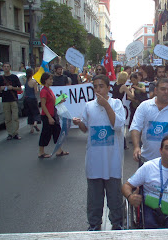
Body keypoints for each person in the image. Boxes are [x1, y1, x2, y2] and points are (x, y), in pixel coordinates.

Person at [72, 74, 125, 231]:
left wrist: (106, 105)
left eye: (101, 86)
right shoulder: (89, 106)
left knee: (115, 196)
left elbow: (117, 125)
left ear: (109, 87)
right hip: (95, 160)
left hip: (112, 160)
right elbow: (85, 129)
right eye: (95, 87)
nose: (98, 89)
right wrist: (79, 123)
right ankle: (94, 224)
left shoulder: (116, 104)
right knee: (94, 198)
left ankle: (117, 223)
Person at [130, 78, 168, 162]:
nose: (166, 92)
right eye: (163, 89)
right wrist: (136, 147)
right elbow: (135, 127)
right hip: (146, 158)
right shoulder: (144, 106)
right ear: (156, 91)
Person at [38, 72, 68, 158]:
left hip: (53, 114)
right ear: (45, 80)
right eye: (50, 79)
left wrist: (60, 100)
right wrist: (49, 117)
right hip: (47, 116)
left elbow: (52, 102)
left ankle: (59, 150)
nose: (52, 81)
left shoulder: (49, 90)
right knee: (46, 133)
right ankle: (41, 152)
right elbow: (43, 105)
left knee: (57, 132)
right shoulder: (44, 91)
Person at [0, 62, 22, 140]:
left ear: (10, 68)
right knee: (7, 118)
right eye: (5, 66)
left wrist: (12, 88)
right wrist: (1, 88)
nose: (6, 68)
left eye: (8, 66)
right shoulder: (0, 78)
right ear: (3, 68)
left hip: (13, 99)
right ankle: (10, 133)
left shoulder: (14, 77)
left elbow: (19, 88)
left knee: (15, 117)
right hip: (5, 100)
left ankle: (15, 133)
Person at [23, 68, 40, 134]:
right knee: (35, 112)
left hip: (26, 99)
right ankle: (35, 123)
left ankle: (31, 128)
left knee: (29, 113)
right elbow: (36, 91)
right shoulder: (33, 81)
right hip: (32, 98)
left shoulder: (25, 81)